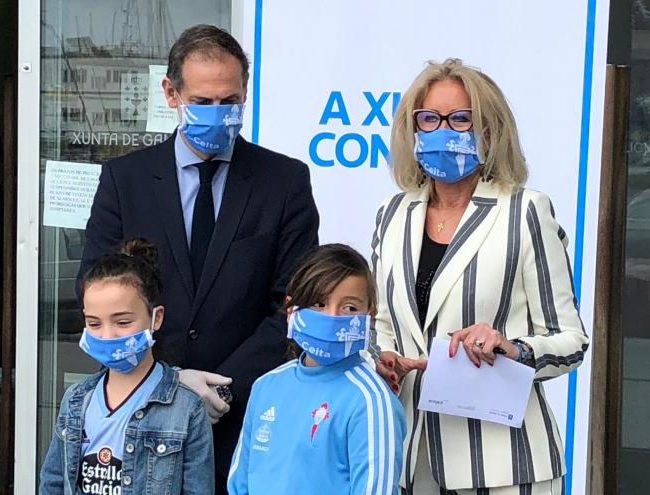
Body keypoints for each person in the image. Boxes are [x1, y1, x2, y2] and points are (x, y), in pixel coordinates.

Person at [77, 24, 319, 493]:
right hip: (139, 413)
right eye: (203, 103)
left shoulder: (283, 181)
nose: (218, 115)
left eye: (229, 103)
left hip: (244, 418)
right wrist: (167, 383)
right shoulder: (124, 179)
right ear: (171, 93)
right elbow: (95, 287)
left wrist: (223, 387)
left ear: (245, 93)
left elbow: (293, 303)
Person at [370, 58, 589, 494]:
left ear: (489, 132)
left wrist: (513, 349)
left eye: (460, 120)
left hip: (505, 464)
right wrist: (383, 360)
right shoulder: (392, 214)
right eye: (429, 119)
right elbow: (382, 324)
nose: (441, 131)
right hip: (412, 461)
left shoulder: (526, 211)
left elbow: (571, 342)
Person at [228, 244, 406, 495]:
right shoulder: (266, 386)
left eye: (349, 308)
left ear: (369, 317)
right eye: (318, 303)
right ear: (291, 309)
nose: (332, 317)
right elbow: (241, 482)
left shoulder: (371, 401)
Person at [40, 238, 213, 494]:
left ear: (157, 318)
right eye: (95, 324)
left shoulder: (187, 408)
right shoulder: (76, 400)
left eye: (122, 322)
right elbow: (53, 482)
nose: (108, 336)